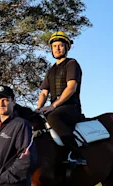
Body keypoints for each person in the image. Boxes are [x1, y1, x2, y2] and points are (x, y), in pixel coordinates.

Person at [36, 31, 87, 165]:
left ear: (67, 47)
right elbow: (44, 93)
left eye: (60, 45)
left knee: (53, 117)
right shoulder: (51, 70)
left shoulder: (72, 63)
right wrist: (38, 109)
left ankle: (76, 153)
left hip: (71, 107)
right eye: (54, 46)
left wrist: (53, 105)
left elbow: (71, 87)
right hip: (56, 107)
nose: (57, 48)